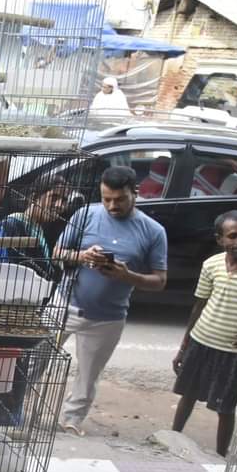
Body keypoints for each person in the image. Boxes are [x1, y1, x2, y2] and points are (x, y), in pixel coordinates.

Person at [53, 166, 167, 435]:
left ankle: (71, 421)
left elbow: (160, 281)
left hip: (108, 318)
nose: (112, 206)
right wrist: (82, 256)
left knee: (88, 375)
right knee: (34, 359)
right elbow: (56, 252)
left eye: (120, 199)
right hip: (65, 304)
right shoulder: (85, 215)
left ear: (135, 193)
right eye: (106, 199)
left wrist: (128, 276)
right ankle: (12, 410)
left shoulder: (153, 231)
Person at [171, 211, 237, 456]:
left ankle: (219, 455)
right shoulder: (211, 265)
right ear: (220, 239)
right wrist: (184, 346)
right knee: (188, 394)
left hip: (233, 351)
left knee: (226, 407)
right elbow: (199, 305)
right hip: (200, 341)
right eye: (233, 236)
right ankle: (172, 439)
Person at [0, 176, 69, 426]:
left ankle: (3, 430)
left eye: (64, 200)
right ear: (34, 197)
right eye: (54, 197)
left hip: (20, 322)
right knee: (0, 388)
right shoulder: (12, 226)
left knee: (11, 383)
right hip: (3, 322)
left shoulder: (36, 230)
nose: (60, 205)